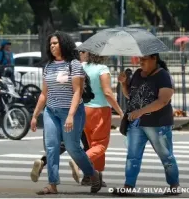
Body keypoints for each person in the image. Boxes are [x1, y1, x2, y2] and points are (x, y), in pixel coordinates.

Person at [30, 31, 102, 195]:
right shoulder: (48, 66)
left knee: (72, 147)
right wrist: (35, 116)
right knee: (51, 147)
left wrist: (70, 115)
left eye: (55, 43)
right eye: (50, 44)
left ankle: (92, 174)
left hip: (72, 112)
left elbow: (77, 92)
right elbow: (44, 94)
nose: (52, 46)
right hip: (51, 111)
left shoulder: (74, 65)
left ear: (64, 44)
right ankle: (52, 184)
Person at [113, 53, 180, 196]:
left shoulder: (163, 76)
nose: (140, 62)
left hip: (158, 124)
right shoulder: (137, 74)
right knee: (132, 156)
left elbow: (163, 101)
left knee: (166, 156)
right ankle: (128, 186)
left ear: (154, 59)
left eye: (143, 59)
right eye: (139, 59)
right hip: (136, 123)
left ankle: (174, 185)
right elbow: (130, 96)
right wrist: (124, 83)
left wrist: (140, 111)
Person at [73, 50, 123, 186]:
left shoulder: (81, 67)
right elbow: (107, 92)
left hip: (83, 109)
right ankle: (79, 161)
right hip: (100, 109)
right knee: (100, 145)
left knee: (92, 145)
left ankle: (97, 176)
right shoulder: (102, 69)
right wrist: (120, 111)